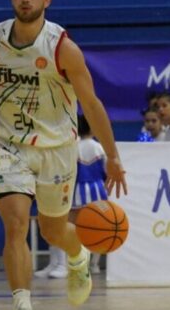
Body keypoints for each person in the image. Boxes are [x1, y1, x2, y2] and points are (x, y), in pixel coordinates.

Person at [0, 0, 128, 310]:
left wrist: (113, 157)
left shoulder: (63, 48)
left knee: (53, 231)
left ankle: (77, 253)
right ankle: (22, 304)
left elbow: (92, 104)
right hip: (9, 145)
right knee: (15, 224)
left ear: (46, 0)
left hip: (57, 148)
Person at [37, 115, 108, 279]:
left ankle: (62, 264)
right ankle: (93, 265)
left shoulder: (73, 147)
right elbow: (106, 171)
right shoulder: (100, 147)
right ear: (93, 128)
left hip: (76, 191)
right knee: (98, 229)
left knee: (62, 226)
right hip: (98, 191)